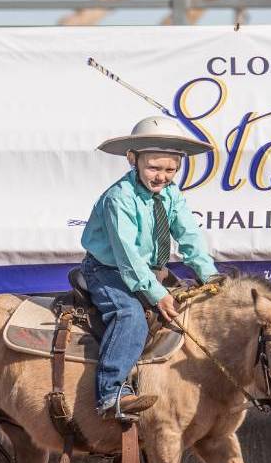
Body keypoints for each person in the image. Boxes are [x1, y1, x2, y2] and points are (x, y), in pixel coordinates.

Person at [80, 115, 219, 418]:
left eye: (170, 169)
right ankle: (112, 392)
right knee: (131, 316)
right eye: (154, 167)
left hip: (151, 271)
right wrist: (157, 295)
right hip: (108, 270)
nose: (161, 176)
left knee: (190, 305)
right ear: (133, 160)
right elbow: (127, 256)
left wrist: (209, 274)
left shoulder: (171, 195)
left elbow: (189, 235)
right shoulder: (119, 198)